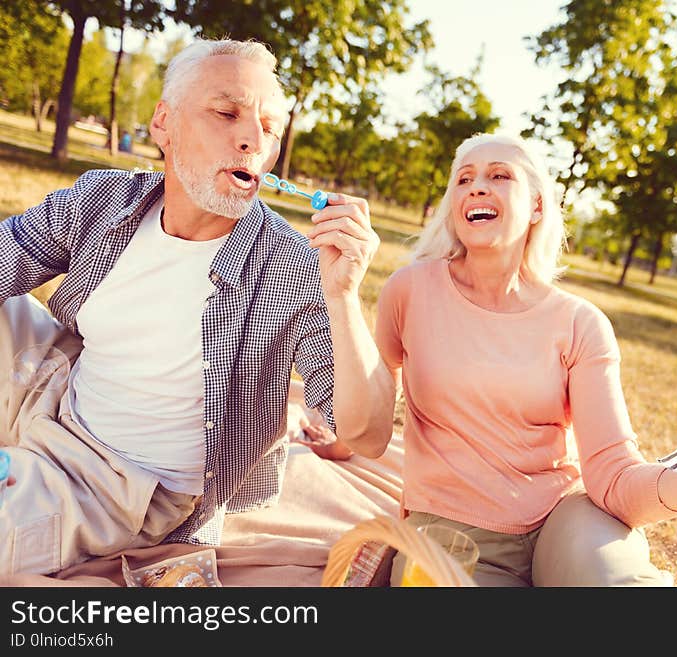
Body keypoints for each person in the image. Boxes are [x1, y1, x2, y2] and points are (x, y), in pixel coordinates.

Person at [0, 38, 394, 576]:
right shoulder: (103, 199)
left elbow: (366, 436)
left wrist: (345, 294)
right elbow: (12, 251)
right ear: (164, 124)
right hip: (55, 387)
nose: (253, 139)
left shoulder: (292, 268)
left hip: (118, 485)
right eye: (227, 112)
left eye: (270, 127)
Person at [367, 132, 677, 586]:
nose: (477, 187)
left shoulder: (580, 323)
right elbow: (372, 398)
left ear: (538, 207)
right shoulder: (410, 291)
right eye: (464, 180)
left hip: (563, 520)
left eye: (499, 175)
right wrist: (338, 439)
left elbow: (615, 479)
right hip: (447, 534)